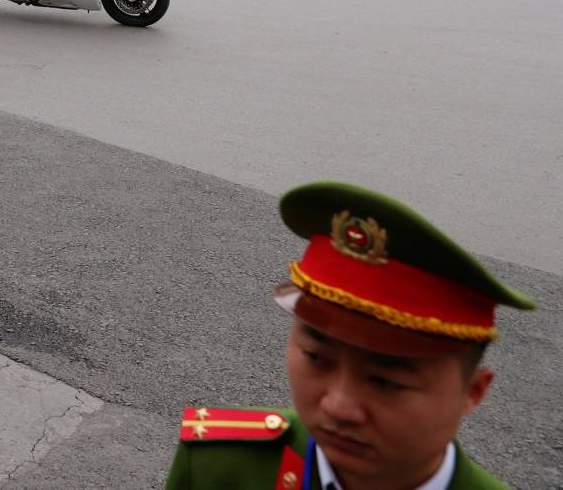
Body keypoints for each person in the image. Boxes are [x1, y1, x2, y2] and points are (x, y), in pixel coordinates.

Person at [165, 181, 534, 490]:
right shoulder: (216, 470)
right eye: (316, 357)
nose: (338, 407)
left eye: (385, 381)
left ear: (473, 391)